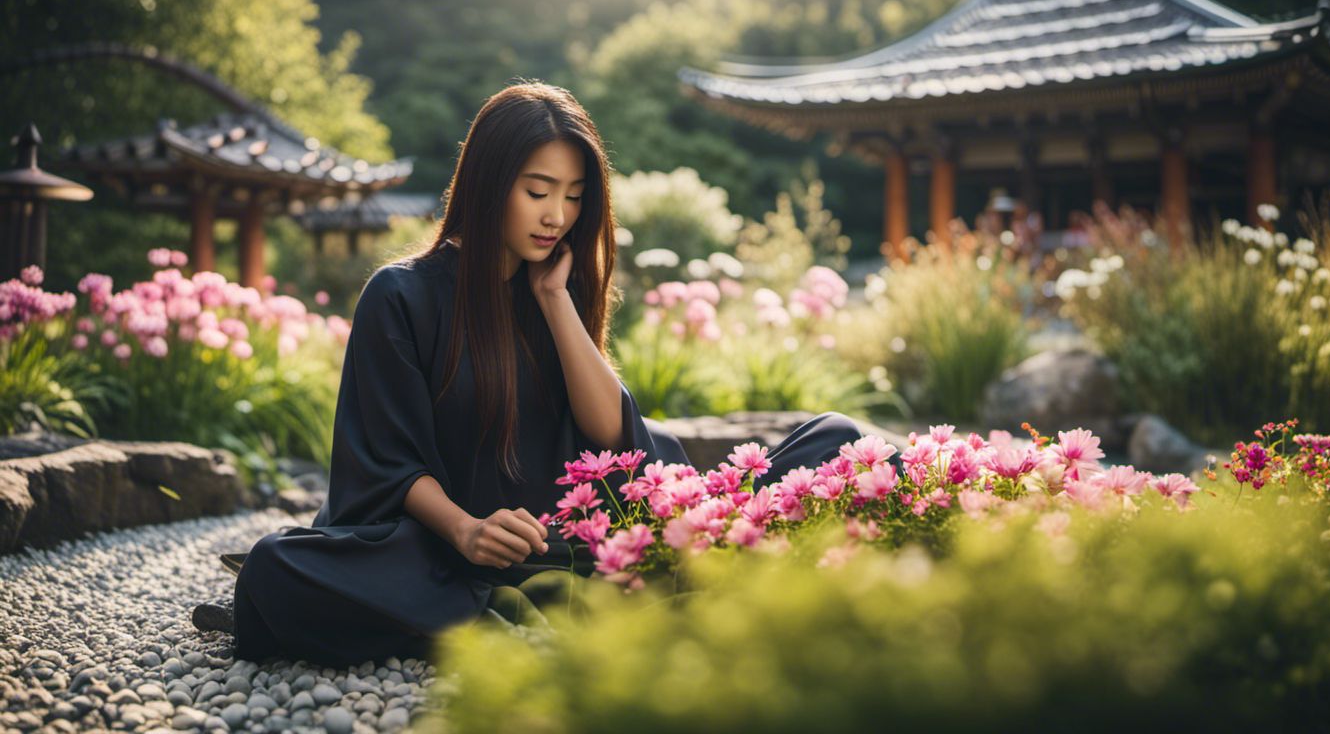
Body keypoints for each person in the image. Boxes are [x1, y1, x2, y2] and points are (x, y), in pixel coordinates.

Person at [209, 81, 862, 665]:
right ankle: (533, 607)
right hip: (452, 550)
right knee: (275, 571)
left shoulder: (556, 285)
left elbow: (613, 436)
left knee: (843, 440)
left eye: (574, 197)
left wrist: (555, 300)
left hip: (589, 533)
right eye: (538, 191)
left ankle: (535, 605)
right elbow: (386, 461)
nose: (558, 216)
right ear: (489, 183)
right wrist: (467, 529)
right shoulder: (401, 296)